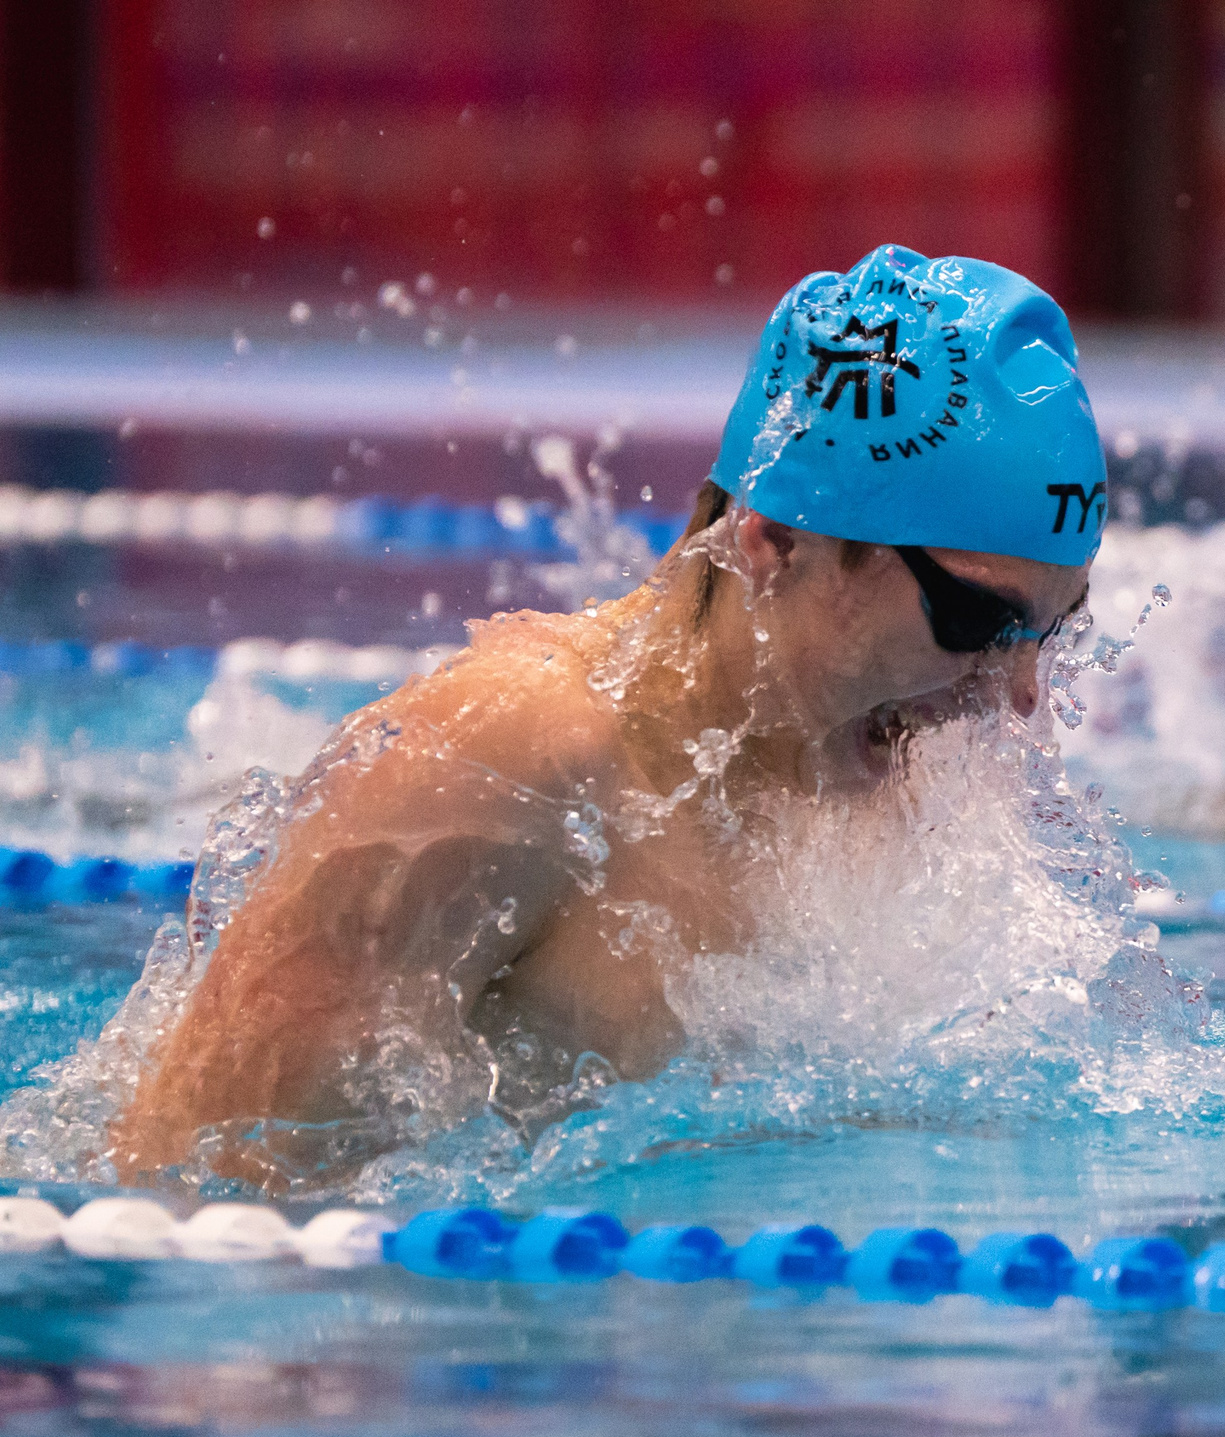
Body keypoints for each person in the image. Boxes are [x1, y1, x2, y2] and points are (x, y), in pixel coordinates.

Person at [106, 246, 1107, 1188]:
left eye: (1053, 629)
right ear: (775, 541)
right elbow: (194, 1179)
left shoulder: (886, 767)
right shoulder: (505, 755)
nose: (1016, 694)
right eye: (979, 621)